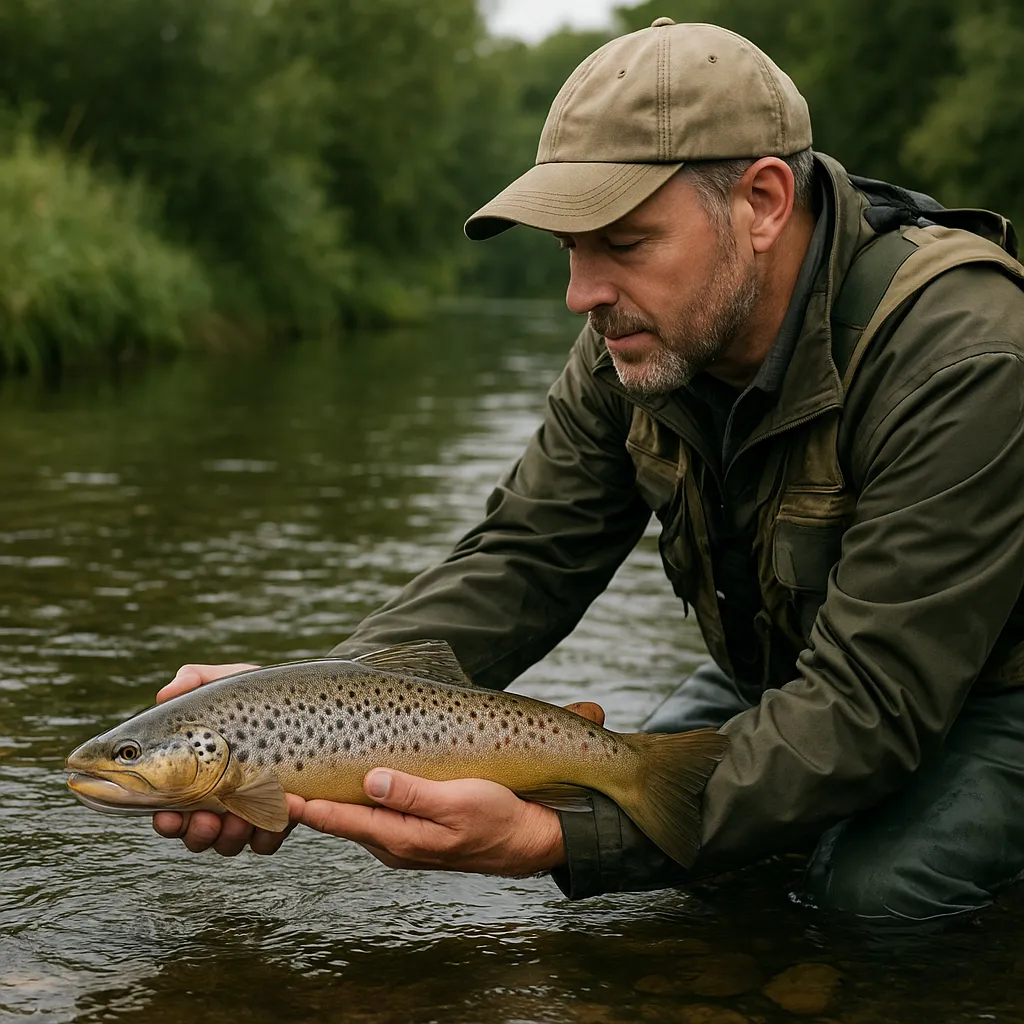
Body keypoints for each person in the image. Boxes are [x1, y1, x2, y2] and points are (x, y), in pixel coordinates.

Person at [153, 19, 1024, 925]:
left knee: (870, 896)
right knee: (654, 815)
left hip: (979, 697)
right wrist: (301, 711)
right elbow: (525, 556)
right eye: (571, 247)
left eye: (624, 241)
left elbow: (870, 706)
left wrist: (556, 841)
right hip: (793, 669)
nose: (582, 295)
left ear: (762, 201)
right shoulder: (640, 338)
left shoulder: (961, 357)